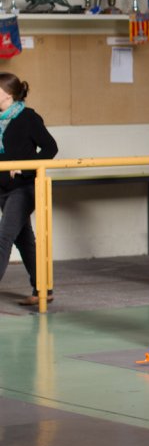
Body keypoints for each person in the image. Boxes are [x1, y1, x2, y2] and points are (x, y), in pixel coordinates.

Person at [0, 73, 58, 306]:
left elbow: (50, 148)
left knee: (4, 237)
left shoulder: (28, 117)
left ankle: (43, 289)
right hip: (3, 189)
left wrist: (25, 168)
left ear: (8, 94)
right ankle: (43, 289)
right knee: (24, 240)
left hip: (24, 188)